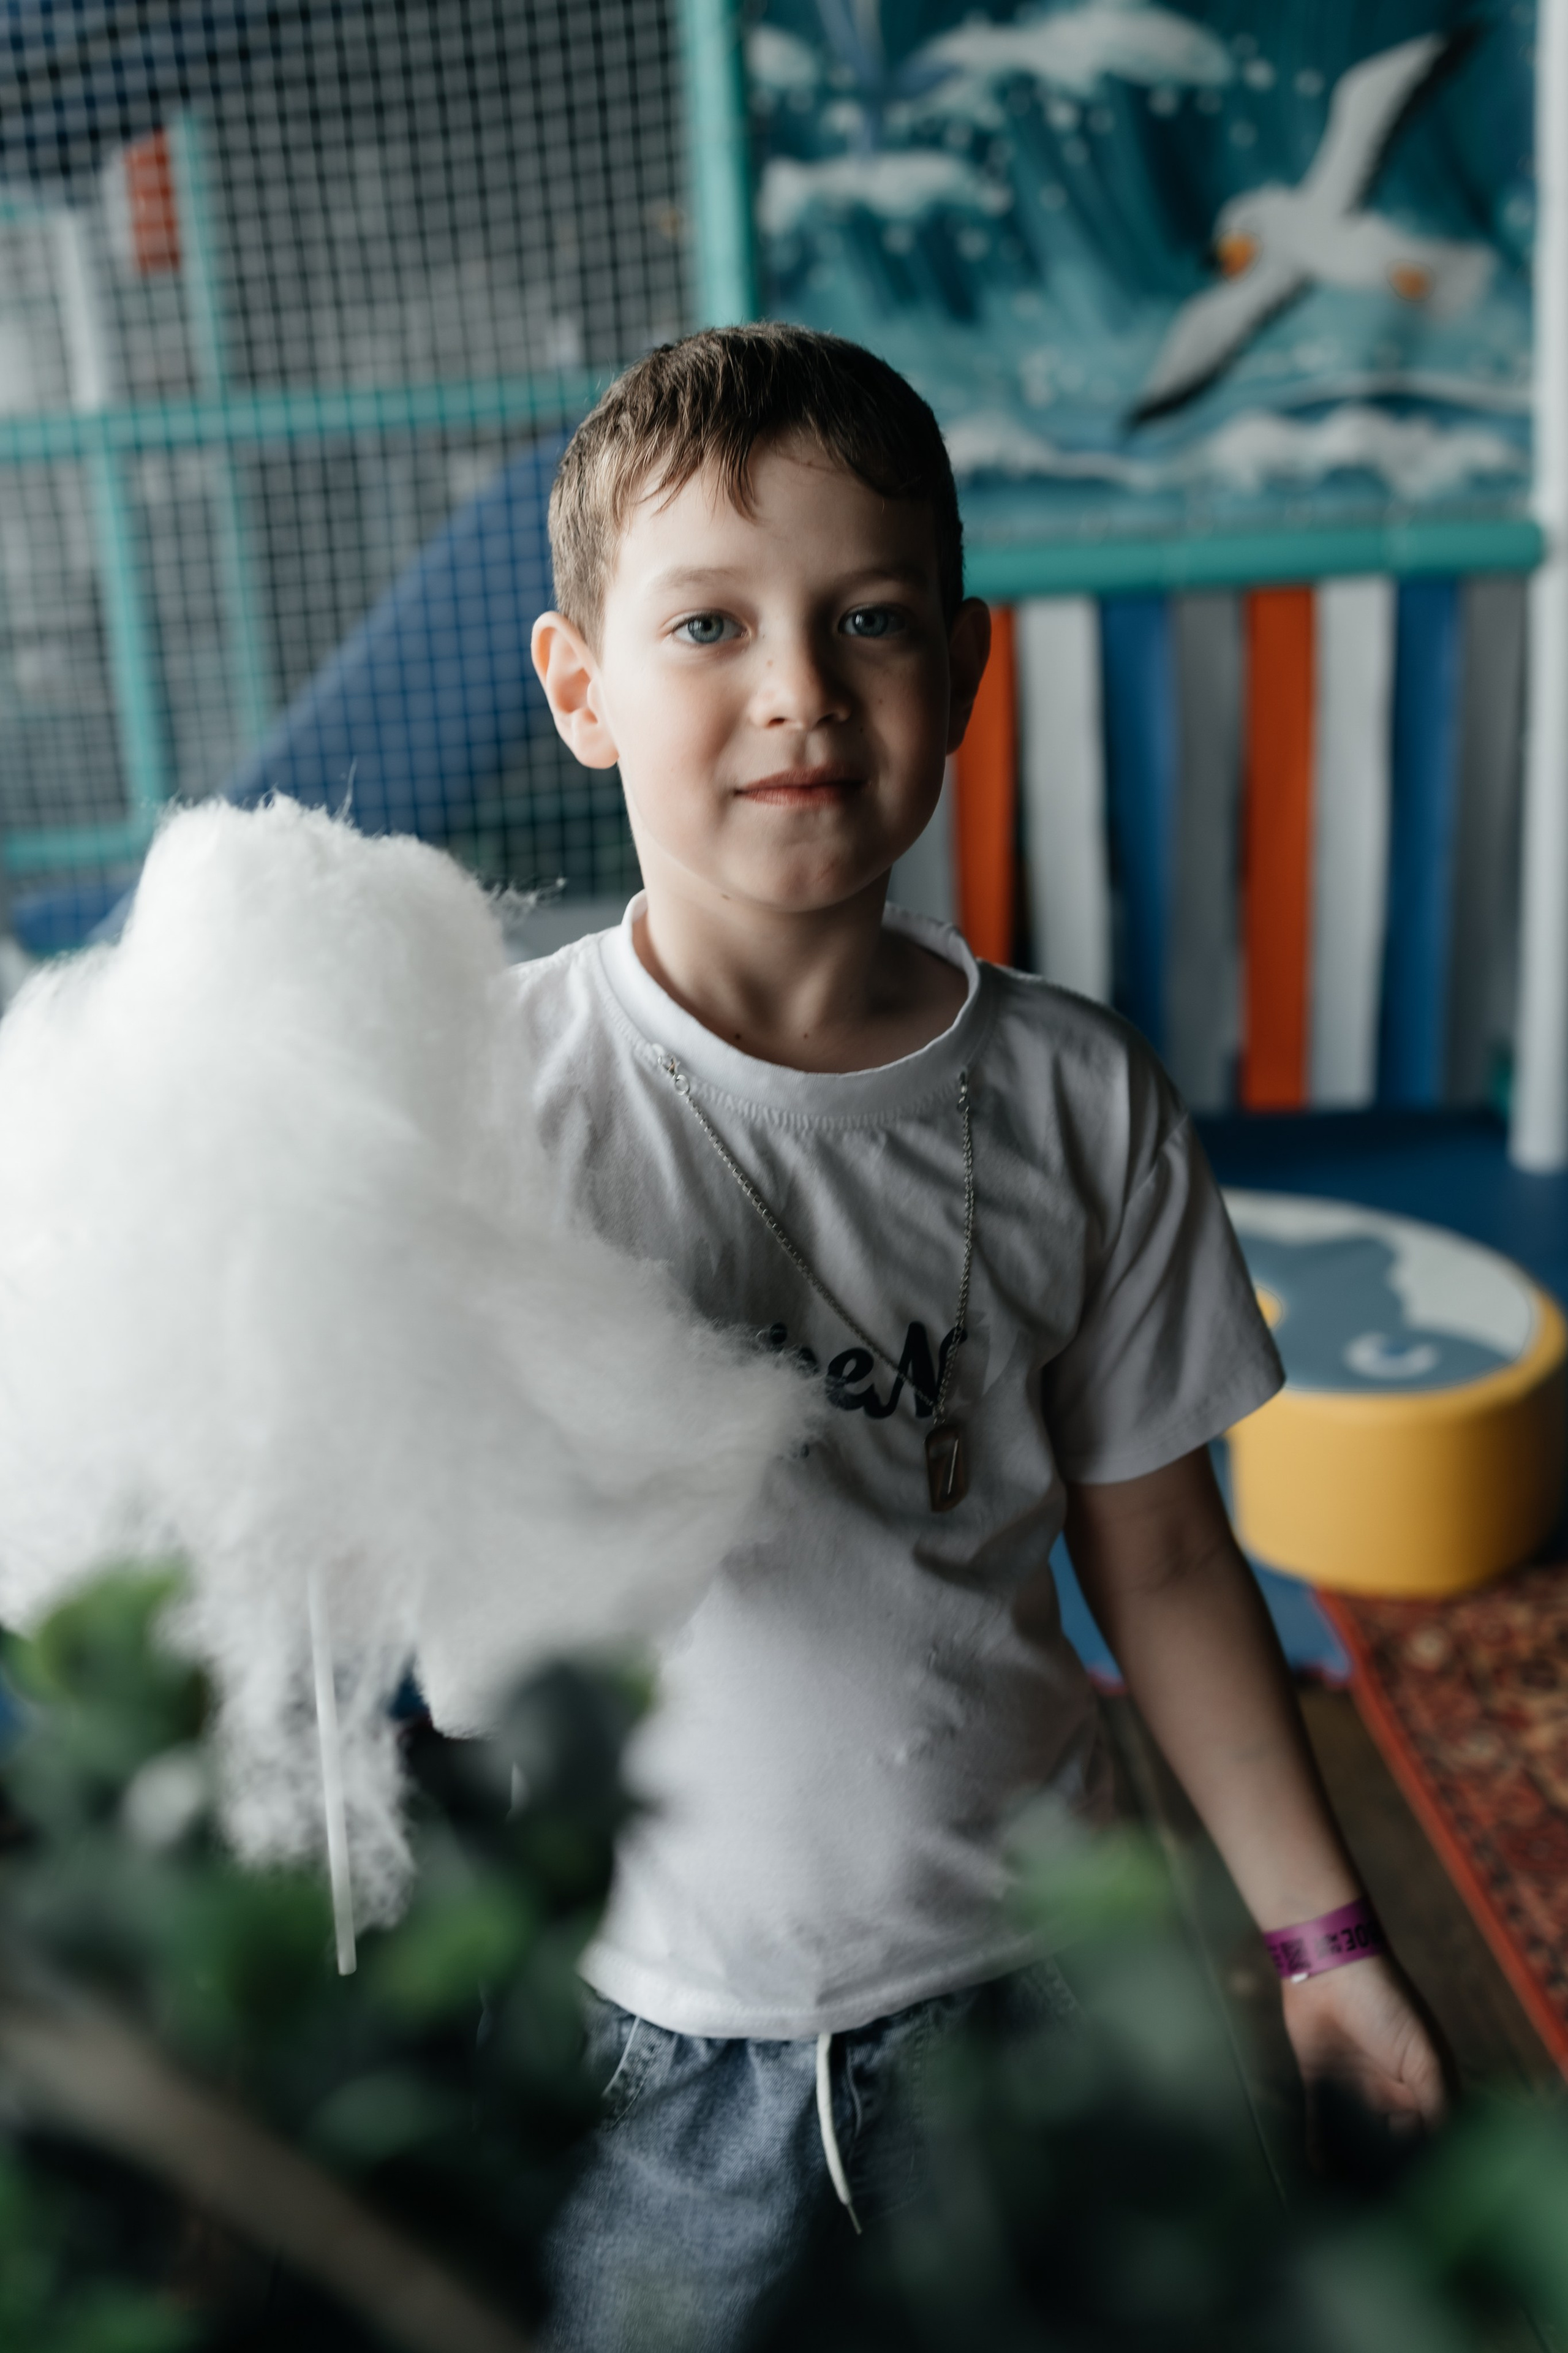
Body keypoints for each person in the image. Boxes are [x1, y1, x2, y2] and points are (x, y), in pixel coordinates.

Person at [519, 323, 1446, 2349]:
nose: (798, 688)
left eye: (867, 618)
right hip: (641, 2030)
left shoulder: (1076, 1099)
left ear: (960, 668)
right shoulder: (494, 1107)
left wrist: (1324, 1942)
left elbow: (1168, 1557)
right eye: (708, 625)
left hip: (1036, 1995)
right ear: (582, 690)